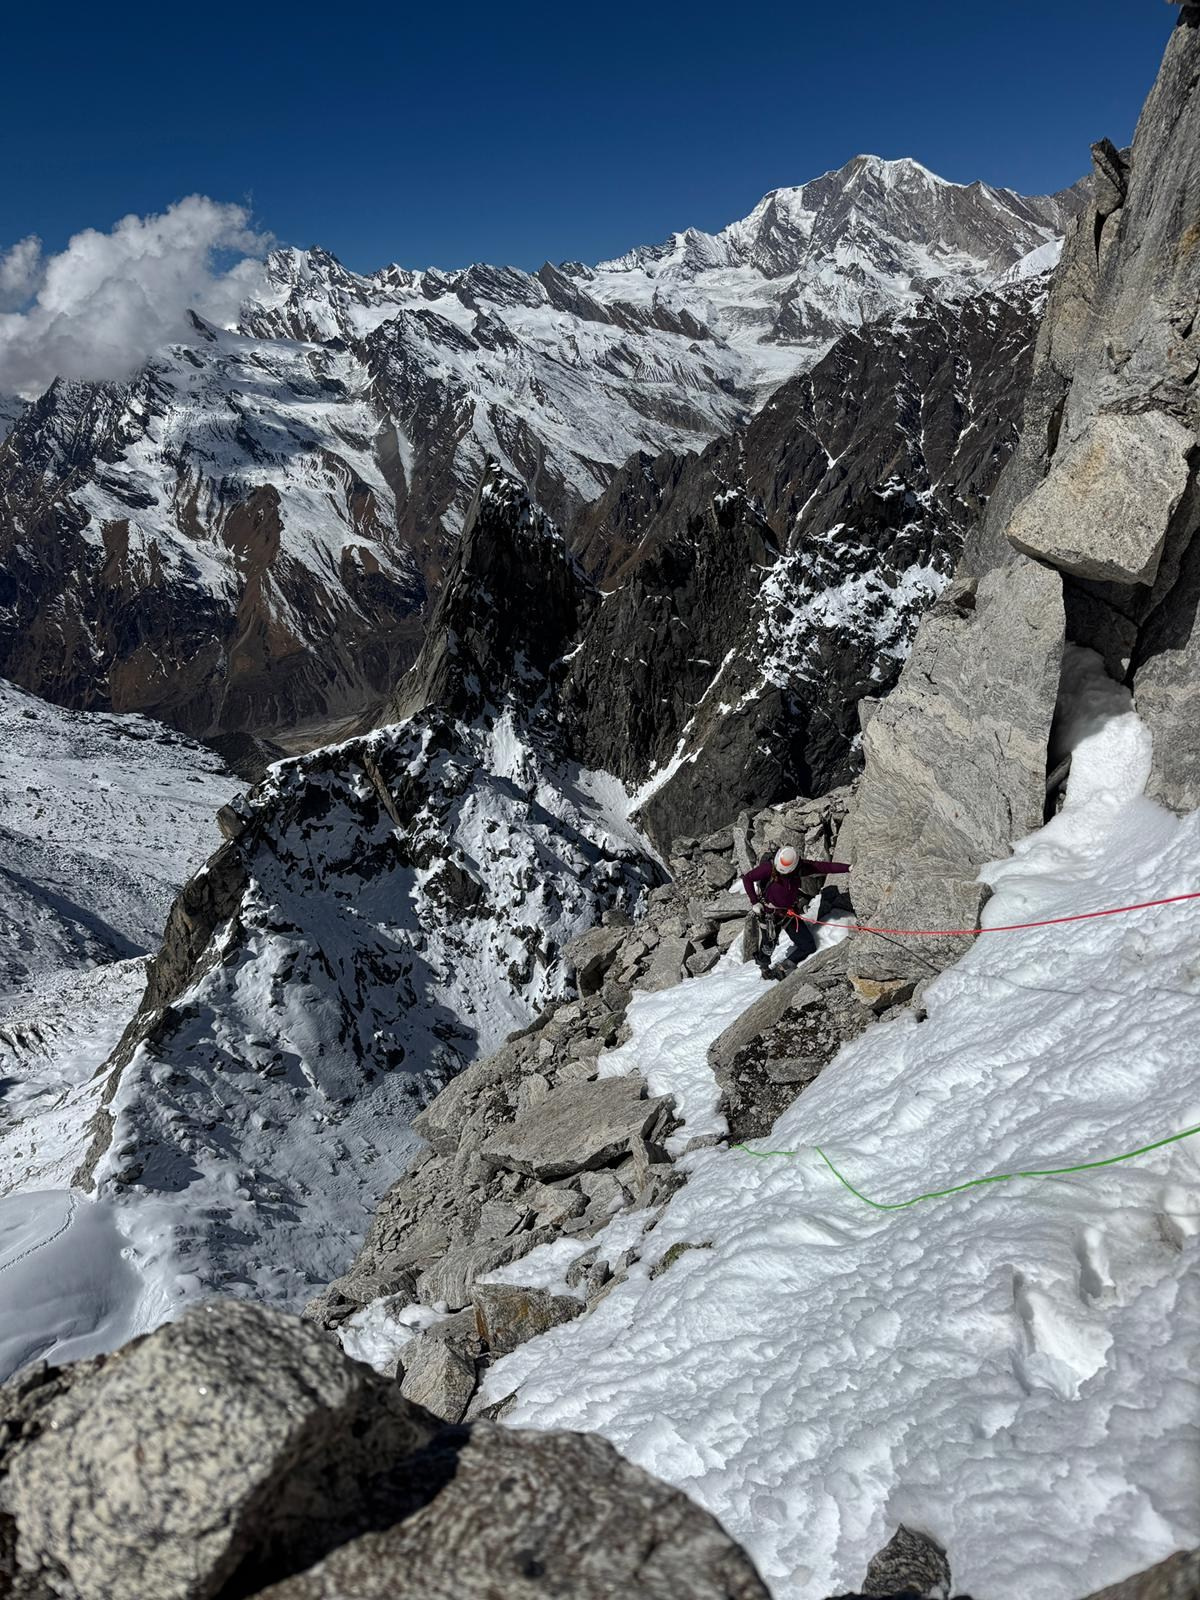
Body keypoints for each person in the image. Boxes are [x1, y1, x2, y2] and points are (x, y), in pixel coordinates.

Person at [741, 845, 850, 978]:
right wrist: (754, 902)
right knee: (768, 944)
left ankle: (785, 966)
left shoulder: (800, 868)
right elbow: (747, 878)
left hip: (788, 914)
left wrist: (848, 868)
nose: (782, 875)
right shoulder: (769, 868)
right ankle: (764, 967)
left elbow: (824, 867)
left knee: (808, 945)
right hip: (769, 914)